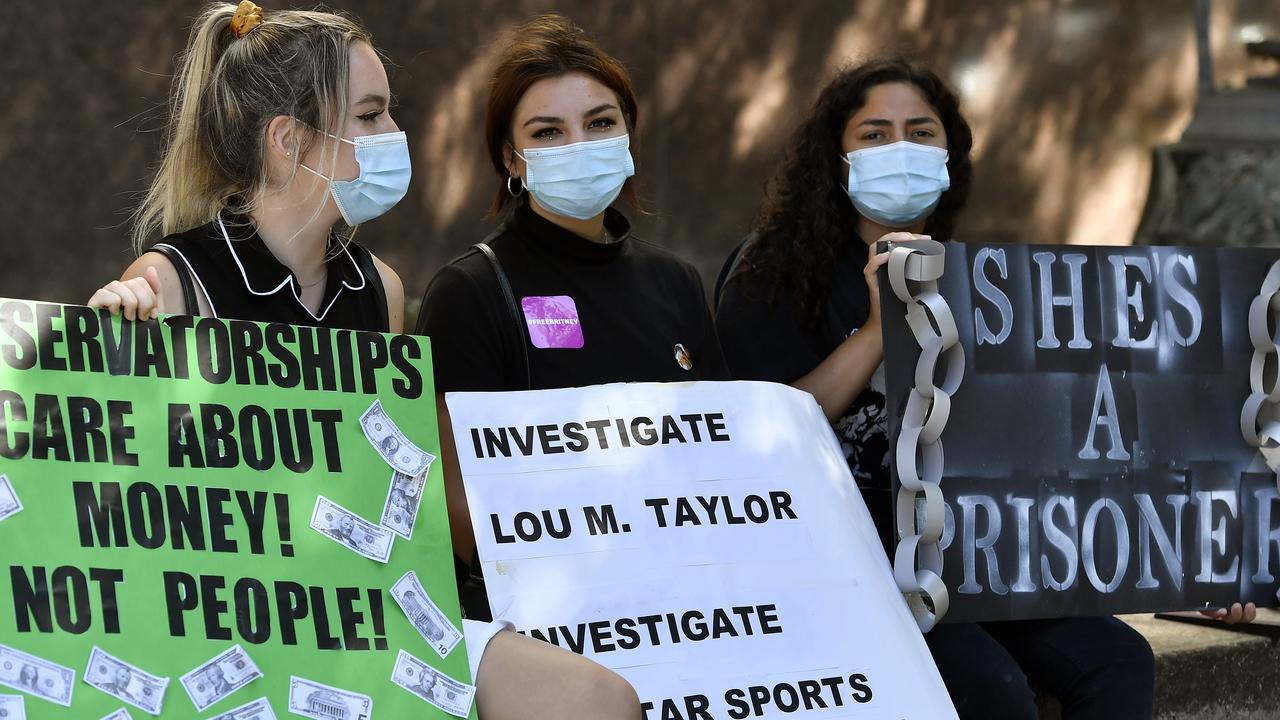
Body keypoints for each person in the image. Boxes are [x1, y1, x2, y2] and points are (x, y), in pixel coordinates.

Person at [87, 4, 639, 719]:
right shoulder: (172, 281)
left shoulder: (381, 289)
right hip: (228, 634)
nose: (395, 135)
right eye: (372, 115)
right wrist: (106, 350)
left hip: (363, 614)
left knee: (598, 698)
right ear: (288, 140)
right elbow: (118, 507)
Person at [714, 57, 1175, 719]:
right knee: (991, 689)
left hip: (960, 555)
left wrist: (1180, 562)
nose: (900, 148)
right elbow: (766, 434)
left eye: (921, 132)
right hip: (845, 558)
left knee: (1119, 658)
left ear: (949, 154)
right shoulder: (771, 271)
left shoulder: (975, 280)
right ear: (835, 157)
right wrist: (879, 328)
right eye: (874, 133)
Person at [417, 10, 728, 623]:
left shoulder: (677, 283)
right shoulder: (470, 291)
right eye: (549, 132)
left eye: (599, 123)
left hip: (690, 606)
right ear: (512, 159)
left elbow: (721, 458)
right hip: (546, 617)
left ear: (628, 136)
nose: (579, 146)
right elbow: (453, 498)